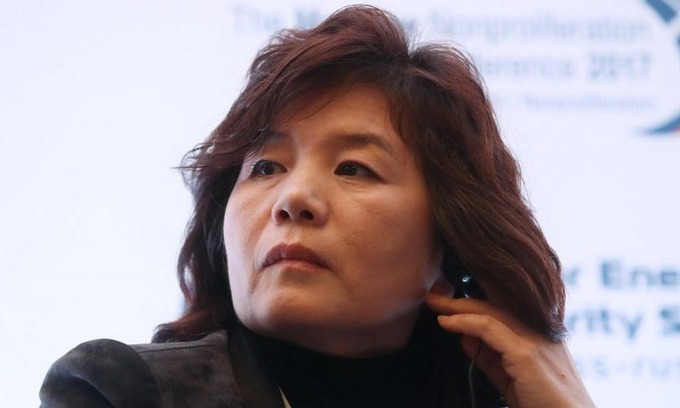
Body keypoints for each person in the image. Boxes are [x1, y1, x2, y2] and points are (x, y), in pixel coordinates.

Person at [40, 5, 595, 408]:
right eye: (265, 168)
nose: (294, 199)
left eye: (353, 168)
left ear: (450, 240)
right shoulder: (125, 392)